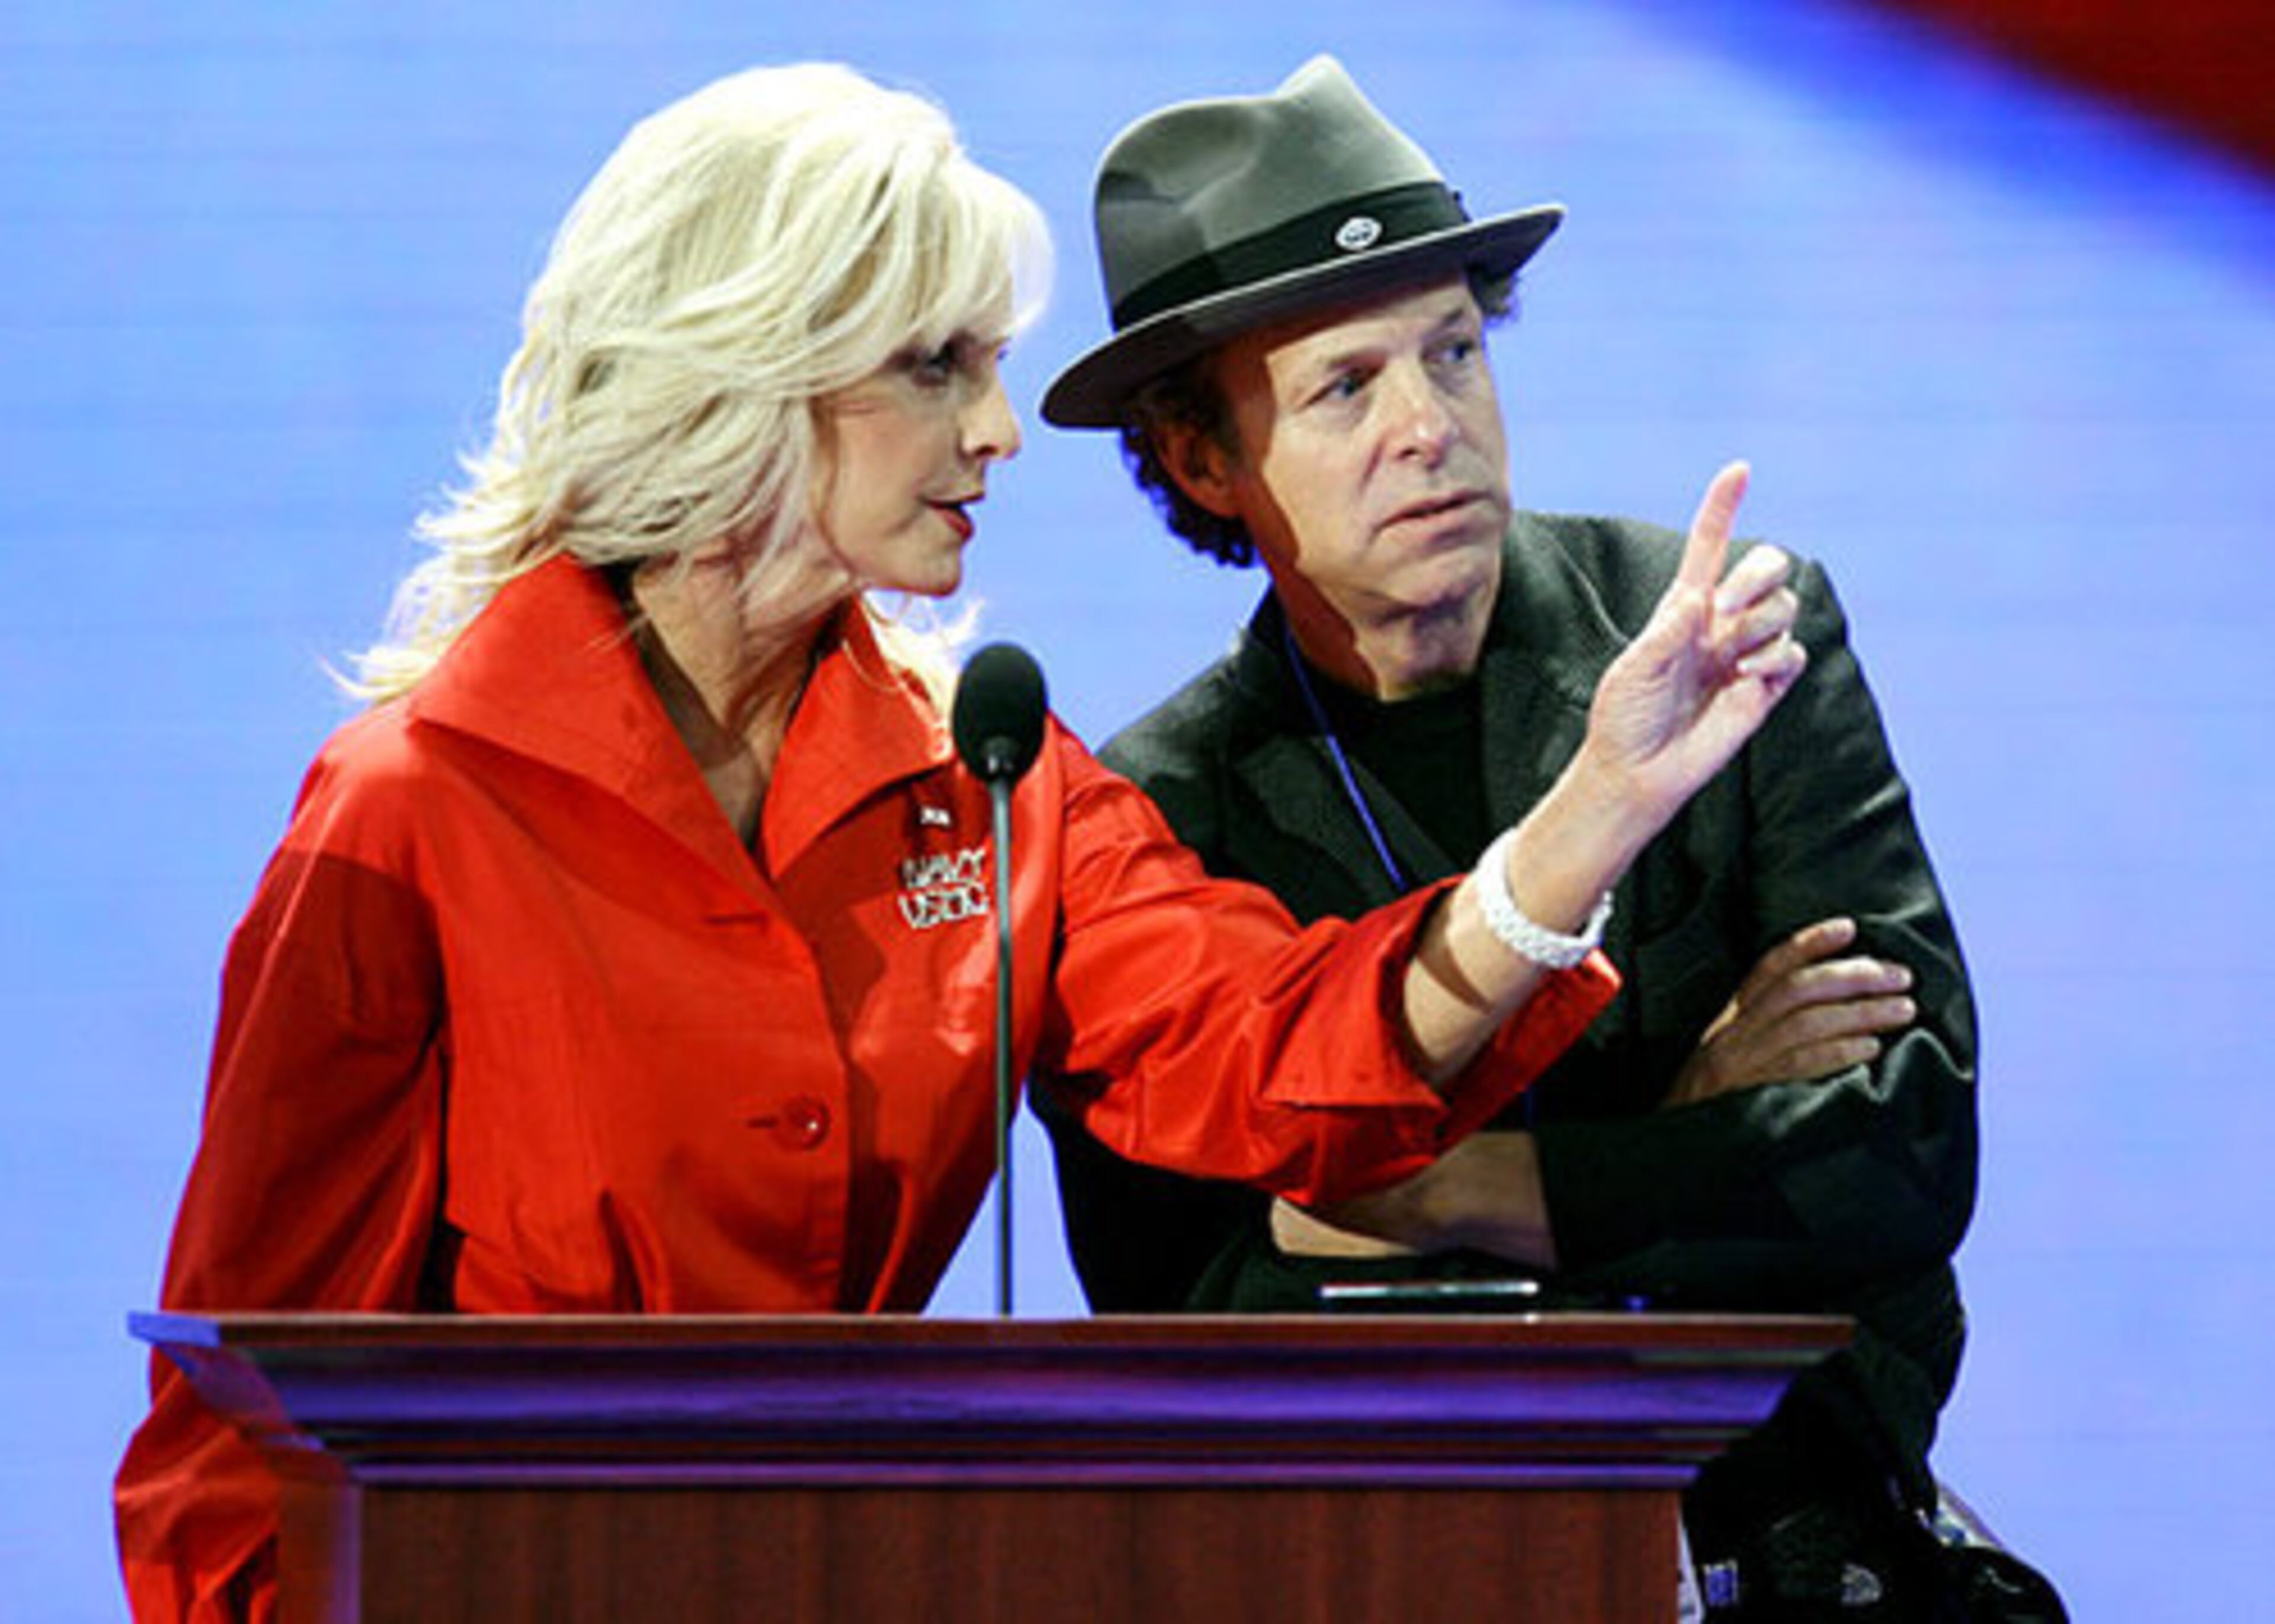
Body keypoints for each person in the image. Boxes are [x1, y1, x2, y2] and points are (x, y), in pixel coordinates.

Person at [113, 62, 1809, 1622]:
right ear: (751, 376)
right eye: (941, 369)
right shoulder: (413, 810)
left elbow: (1276, 1056)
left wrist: (1595, 810)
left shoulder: (989, 780)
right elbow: (232, 1439)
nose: (1000, 433)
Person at [1040, 57, 2061, 1621]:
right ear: (1200, 459)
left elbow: (1906, 1153)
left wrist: (1452, 1189)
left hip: (1806, 1535)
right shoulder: (1154, 816)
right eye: (1345, 387)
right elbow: (1204, 1306)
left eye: (1454, 353)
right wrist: (1688, 1118)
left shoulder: (1722, 637)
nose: (1428, 427)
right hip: (1396, 1568)